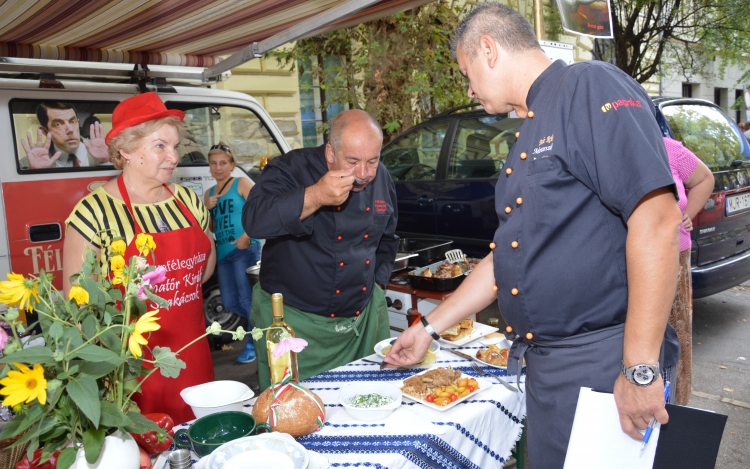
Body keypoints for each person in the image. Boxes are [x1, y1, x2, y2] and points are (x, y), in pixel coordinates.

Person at [383, 4, 682, 468]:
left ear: (488, 49)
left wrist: (640, 369)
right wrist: (428, 327)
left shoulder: (588, 86)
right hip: (550, 369)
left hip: (603, 363)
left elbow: (657, 220)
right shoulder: (530, 129)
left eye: (467, 72)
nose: (468, 87)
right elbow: (506, 260)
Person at [63, 92, 216, 423]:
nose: (173, 157)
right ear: (126, 151)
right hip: (130, 371)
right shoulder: (94, 212)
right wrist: (101, 378)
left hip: (194, 357)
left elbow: (204, 271)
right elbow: (78, 310)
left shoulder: (188, 201)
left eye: (174, 146)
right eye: (161, 146)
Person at [242, 109, 399, 390]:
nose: (364, 174)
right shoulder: (290, 169)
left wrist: (377, 286)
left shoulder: (382, 177)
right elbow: (254, 220)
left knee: (369, 401)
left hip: (362, 324)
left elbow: (388, 238)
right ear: (330, 152)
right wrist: (314, 196)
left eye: (372, 161)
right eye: (352, 161)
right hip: (296, 324)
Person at [663, 137, 714, 405]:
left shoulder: (669, 148)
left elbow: (705, 178)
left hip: (674, 256)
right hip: (623, 261)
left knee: (676, 342)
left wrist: (688, 213)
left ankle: (677, 412)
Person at [205, 142, 260, 363]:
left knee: (247, 300)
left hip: (244, 248)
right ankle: (262, 331)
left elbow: (260, 208)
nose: (218, 167)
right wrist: (206, 209)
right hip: (224, 253)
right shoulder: (208, 193)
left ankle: (254, 344)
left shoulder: (241, 183)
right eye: (213, 163)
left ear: (232, 164)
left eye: (223, 163)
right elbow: (211, 227)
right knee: (229, 302)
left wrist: (247, 235)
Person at [20, 102, 109, 169]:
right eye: (58, 124)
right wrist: (37, 174)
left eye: (72, 121)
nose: (70, 129)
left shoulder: (108, 153)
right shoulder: (28, 164)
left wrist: (105, 162)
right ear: (45, 131)